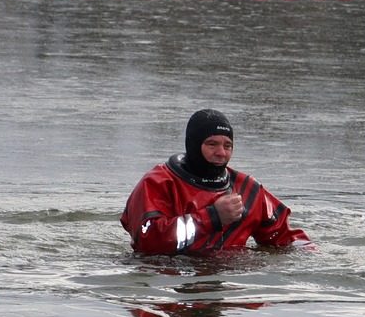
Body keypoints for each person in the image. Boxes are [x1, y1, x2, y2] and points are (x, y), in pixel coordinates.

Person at [121, 109, 313, 255]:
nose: (221, 152)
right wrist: (212, 217)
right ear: (194, 145)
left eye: (227, 145)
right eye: (212, 144)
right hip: (167, 282)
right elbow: (148, 241)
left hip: (227, 285)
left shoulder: (248, 190)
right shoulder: (158, 183)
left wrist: (312, 256)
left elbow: (284, 237)